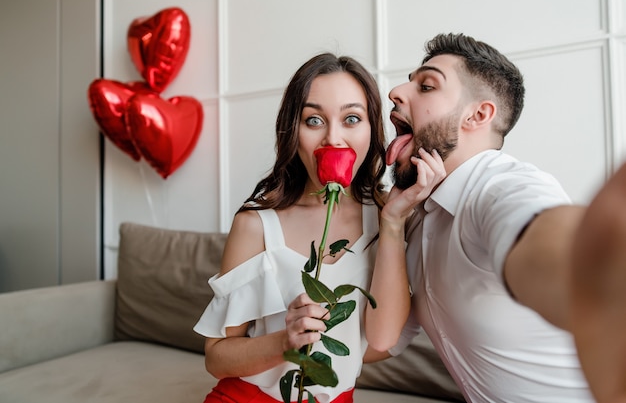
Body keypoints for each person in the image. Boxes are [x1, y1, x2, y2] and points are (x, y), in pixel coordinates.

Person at [361, 32, 625, 403]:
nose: (396, 92)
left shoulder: (502, 188)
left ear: (478, 115)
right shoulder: (417, 212)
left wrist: (593, 275)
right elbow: (384, 341)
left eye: (427, 85)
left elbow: (547, 243)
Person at [193, 52, 444, 403]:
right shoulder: (255, 224)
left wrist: (391, 224)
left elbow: (383, 340)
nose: (333, 139)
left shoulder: (390, 215)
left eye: (352, 118)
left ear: (372, 131)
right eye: (313, 120)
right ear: (292, 132)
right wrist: (285, 340)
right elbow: (216, 358)